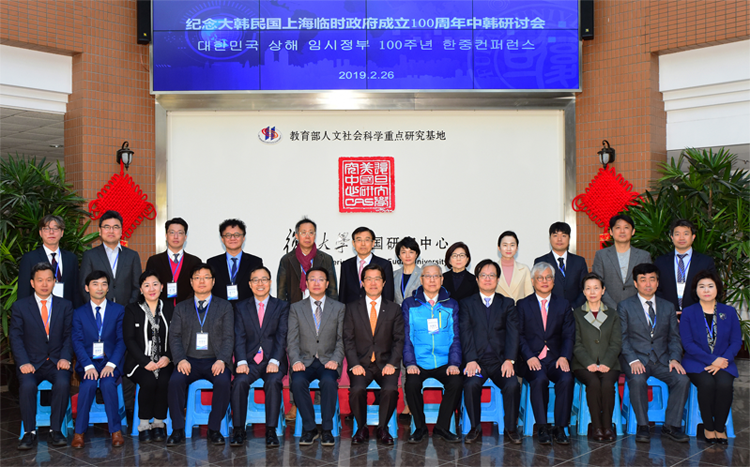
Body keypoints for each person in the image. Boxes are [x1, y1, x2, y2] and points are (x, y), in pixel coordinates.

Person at [618, 263, 690, 443]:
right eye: (643, 280)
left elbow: (674, 337)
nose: (648, 284)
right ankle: (643, 425)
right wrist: (632, 360)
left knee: (682, 379)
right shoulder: (624, 306)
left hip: (662, 359)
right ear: (635, 283)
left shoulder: (667, 306)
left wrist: (674, 358)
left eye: (652, 279)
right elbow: (622, 338)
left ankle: (671, 426)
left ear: (658, 283)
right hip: (635, 358)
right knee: (637, 379)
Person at [167, 263, 234, 446]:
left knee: (223, 381)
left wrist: (222, 360)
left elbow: (229, 337)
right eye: (197, 277)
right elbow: (175, 337)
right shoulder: (181, 308)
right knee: (175, 381)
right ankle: (177, 429)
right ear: (191, 282)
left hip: (215, 360)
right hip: (189, 361)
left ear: (213, 282)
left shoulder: (225, 306)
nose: (201, 281)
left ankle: (214, 429)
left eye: (206, 277)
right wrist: (180, 359)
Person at [10, 263, 73, 450]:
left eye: (48, 280)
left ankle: (56, 430)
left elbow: (69, 335)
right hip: (31, 363)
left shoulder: (65, 305)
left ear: (55, 282)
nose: (44, 284)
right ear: (32, 283)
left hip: (56, 362)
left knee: (62, 383)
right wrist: (23, 362)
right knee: (28, 385)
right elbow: (15, 337)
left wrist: (65, 357)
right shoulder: (20, 306)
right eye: (40, 280)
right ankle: (29, 432)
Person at [460, 259, 521, 444]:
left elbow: (513, 334)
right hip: (477, 363)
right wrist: (470, 359)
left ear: (497, 279)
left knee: (512, 384)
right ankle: (474, 428)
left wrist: (509, 360)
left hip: (499, 363)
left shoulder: (507, 303)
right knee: (471, 384)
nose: (488, 279)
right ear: (477, 279)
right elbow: (465, 332)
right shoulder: (466, 303)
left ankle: (511, 428)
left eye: (492, 275)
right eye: (483, 275)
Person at [402, 263, 463, 444]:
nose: (432, 280)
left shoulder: (451, 304)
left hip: (444, 361)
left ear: (442, 280)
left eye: (436, 276)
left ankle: (441, 427)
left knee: (456, 382)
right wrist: (410, 363)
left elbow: (455, 337)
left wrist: (454, 363)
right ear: (421, 280)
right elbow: (407, 337)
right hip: (419, 362)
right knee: (411, 384)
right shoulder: (409, 304)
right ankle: (420, 427)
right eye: (427, 276)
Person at [344, 264, 404, 446]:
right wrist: (354, 363)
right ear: (362, 283)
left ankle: (383, 428)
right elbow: (348, 339)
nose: (373, 283)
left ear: (384, 282)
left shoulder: (393, 309)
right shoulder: (352, 308)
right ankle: (361, 427)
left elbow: (399, 339)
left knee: (390, 390)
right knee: (357, 390)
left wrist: (392, 363)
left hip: (386, 363)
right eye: (368, 279)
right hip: (361, 363)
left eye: (377, 278)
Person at [229, 266, 289, 448]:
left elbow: (282, 335)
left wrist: (274, 360)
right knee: (239, 382)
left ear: (270, 282)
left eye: (264, 279)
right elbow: (238, 336)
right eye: (256, 280)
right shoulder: (240, 307)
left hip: (273, 359)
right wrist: (240, 362)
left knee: (272, 382)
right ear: (250, 284)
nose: (260, 283)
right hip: (248, 360)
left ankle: (271, 430)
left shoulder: (282, 306)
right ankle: (239, 429)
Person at [680, 271, 742, 445]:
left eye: (710, 286)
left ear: (717, 288)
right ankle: (708, 427)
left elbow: (736, 341)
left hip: (724, 361)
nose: (706, 290)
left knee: (724, 384)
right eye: (702, 286)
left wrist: (723, 360)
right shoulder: (688, 312)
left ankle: (720, 427)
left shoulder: (728, 312)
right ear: (695, 290)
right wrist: (711, 360)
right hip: (696, 361)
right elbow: (688, 343)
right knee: (706, 384)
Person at [516, 262, 575, 445]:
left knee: (566, 378)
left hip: (556, 358)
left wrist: (564, 357)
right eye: (540, 278)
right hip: (532, 359)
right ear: (533, 281)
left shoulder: (563, 304)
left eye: (548, 277)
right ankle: (542, 427)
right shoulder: (523, 304)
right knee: (539, 379)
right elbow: (519, 335)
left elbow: (568, 334)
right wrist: (529, 356)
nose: (544, 281)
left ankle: (560, 427)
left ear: (554, 281)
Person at [287, 267, 346, 447]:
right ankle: (310, 428)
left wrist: (335, 360)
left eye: (321, 279)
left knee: (328, 382)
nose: (316, 282)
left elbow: (342, 339)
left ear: (327, 284)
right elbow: (292, 339)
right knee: (297, 382)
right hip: (304, 361)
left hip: (328, 360)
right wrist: (296, 361)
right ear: (306, 283)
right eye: (312, 279)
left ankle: (327, 429)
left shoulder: (339, 308)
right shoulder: (296, 308)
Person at [70, 270, 127, 448]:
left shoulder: (118, 310)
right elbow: (77, 342)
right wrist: (87, 366)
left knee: (108, 383)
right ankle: (79, 433)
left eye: (103, 284)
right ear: (87, 288)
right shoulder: (78, 313)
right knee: (87, 384)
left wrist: (111, 364)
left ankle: (115, 431)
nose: (99, 287)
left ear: (108, 288)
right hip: (88, 362)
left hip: (110, 361)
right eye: (95, 284)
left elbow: (121, 340)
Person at [123, 271, 174, 443]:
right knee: (149, 381)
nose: (151, 288)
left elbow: (176, 336)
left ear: (162, 287)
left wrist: (167, 357)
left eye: (155, 284)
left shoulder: (169, 308)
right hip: (139, 361)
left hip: (164, 360)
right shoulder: (132, 309)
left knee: (165, 380)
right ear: (141, 289)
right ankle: (144, 424)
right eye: (146, 285)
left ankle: (159, 423)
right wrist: (145, 362)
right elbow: (128, 339)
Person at [572, 273, 621, 441]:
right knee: (593, 383)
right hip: (583, 364)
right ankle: (597, 426)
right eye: (588, 288)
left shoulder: (613, 314)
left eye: (596, 288)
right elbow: (576, 343)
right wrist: (589, 363)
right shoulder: (577, 314)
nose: (592, 292)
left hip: (610, 363)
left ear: (603, 290)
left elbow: (616, 343)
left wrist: (607, 362)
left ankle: (607, 426)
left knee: (607, 384)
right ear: (583, 292)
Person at [80, 210, 142, 305]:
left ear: (121, 231)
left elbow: (137, 287)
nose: (111, 231)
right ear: (100, 231)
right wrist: (96, 308)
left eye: (115, 227)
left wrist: (129, 310)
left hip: (126, 312)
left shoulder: (132, 256)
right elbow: (84, 286)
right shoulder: (90, 256)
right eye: (107, 227)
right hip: (98, 312)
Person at [655, 219, 716, 314]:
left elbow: (712, 289)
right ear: (672, 237)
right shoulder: (661, 261)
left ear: (693, 237)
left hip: (697, 314)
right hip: (667, 315)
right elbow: (657, 289)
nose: (681, 238)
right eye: (677, 234)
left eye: (686, 234)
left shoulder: (705, 262)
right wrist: (667, 311)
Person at [18, 215, 81, 306]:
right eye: (46, 229)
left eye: (55, 229)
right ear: (40, 233)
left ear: (62, 233)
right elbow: (23, 291)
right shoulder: (29, 258)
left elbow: (76, 292)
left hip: (66, 312)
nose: (51, 232)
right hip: (38, 312)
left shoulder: (71, 258)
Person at [593, 214, 652, 310]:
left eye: (626, 227)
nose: (622, 231)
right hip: (608, 310)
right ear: (611, 232)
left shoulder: (644, 256)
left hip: (637, 309)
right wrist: (614, 307)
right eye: (618, 227)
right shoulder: (601, 255)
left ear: (633, 231)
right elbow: (597, 284)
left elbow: (647, 284)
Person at [277, 217, 338, 303]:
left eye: (311, 233)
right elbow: (281, 293)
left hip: (320, 310)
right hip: (295, 311)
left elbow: (332, 291)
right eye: (303, 233)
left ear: (315, 235)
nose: (307, 236)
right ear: (297, 236)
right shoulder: (287, 260)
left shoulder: (326, 259)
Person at [145, 217, 202, 305]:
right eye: (172, 232)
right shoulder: (154, 261)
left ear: (185, 237)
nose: (176, 236)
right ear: (166, 236)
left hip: (187, 309)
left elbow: (198, 287)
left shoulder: (195, 261)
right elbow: (150, 286)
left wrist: (184, 307)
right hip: (161, 309)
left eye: (180, 233)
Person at [207, 219, 263, 304]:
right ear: (222, 239)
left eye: (237, 235)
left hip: (247, 311)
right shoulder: (212, 263)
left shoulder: (255, 262)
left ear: (243, 238)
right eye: (228, 235)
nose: (232, 238)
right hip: (220, 311)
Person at [534, 222, 588, 308]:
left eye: (563, 236)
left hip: (574, 312)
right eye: (555, 235)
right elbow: (538, 288)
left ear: (569, 238)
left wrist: (572, 307)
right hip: (549, 311)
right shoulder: (541, 261)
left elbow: (585, 289)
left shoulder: (579, 261)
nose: (559, 239)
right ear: (550, 239)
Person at [339, 226, 395, 304]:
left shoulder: (384, 265)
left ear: (373, 243)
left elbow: (388, 294)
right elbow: (342, 295)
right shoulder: (346, 265)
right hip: (351, 312)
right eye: (359, 240)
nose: (363, 244)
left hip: (376, 311)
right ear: (353, 243)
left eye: (367, 240)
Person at [495, 231, 533, 302]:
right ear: (499, 248)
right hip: (498, 312)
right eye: (505, 245)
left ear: (517, 248)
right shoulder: (493, 269)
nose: (509, 248)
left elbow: (529, 296)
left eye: (512, 245)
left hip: (519, 311)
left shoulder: (524, 269)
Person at [393, 236, 421, 306]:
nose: (407, 256)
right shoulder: (393, 275)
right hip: (398, 315)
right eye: (404, 252)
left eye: (411, 252)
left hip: (417, 314)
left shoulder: (423, 274)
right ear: (399, 255)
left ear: (416, 254)